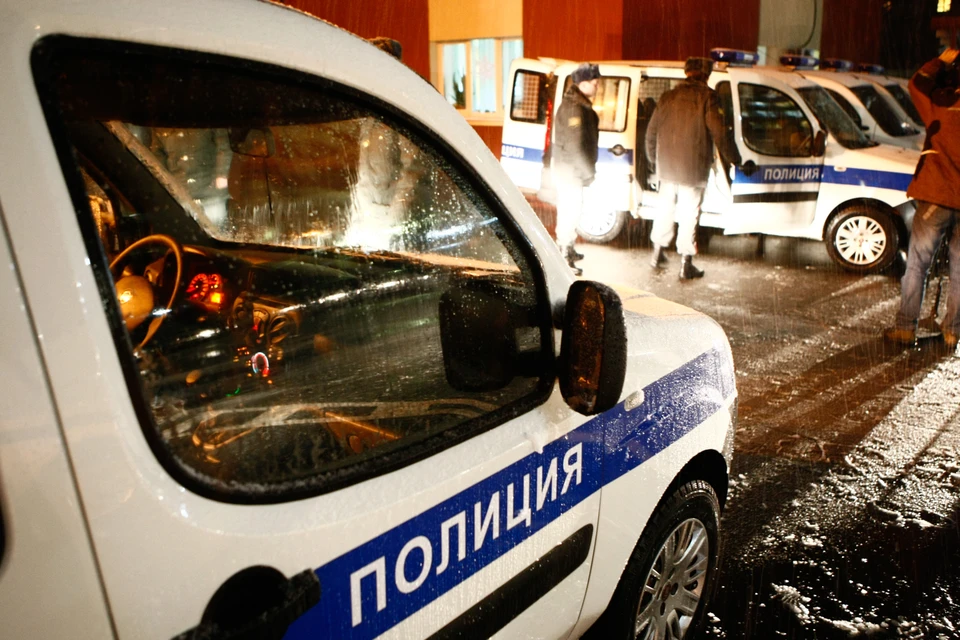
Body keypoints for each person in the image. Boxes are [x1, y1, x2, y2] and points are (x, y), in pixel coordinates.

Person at [884, 47, 960, 348]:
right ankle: (953, 331)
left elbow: (917, 84)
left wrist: (940, 62)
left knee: (917, 264)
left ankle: (906, 327)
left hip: (936, 196)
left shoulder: (942, 104)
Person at [645, 57, 741, 280]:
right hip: (693, 169)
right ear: (706, 75)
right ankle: (685, 263)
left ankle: (657, 253)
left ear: (687, 73)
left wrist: (654, 162)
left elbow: (651, 132)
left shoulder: (668, 96)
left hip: (666, 168)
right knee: (689, 214)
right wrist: (735, 159)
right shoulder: (708, 97)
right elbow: (720, 132)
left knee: (665, 210)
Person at [552, 63, 601, 276]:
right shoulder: (574, 108)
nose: (598, 87)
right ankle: (564, 254)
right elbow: (575, 147)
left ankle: (568, 248)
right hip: (570, 171)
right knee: (569, 211)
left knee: (572, 209)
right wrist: (587, 172)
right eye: (595, 83)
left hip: (571, 170)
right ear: (583, 84)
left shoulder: (578, 105)